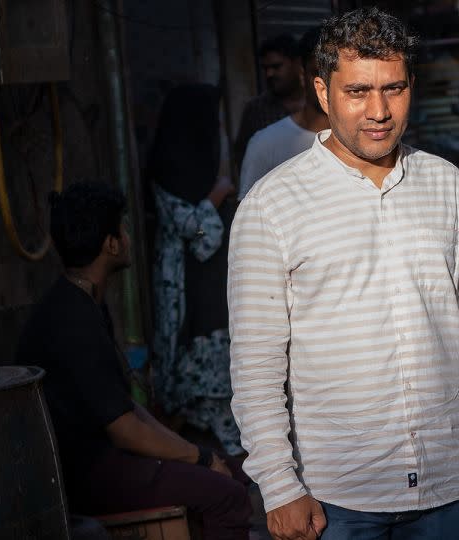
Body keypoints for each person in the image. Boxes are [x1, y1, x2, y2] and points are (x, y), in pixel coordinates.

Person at [228, 8, 459, 540]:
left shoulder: (448, 187)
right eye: (358, 91)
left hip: (449, 486)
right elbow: (256, 363)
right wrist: (278, 485)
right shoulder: (271, 206)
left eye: (394, 88)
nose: (379, 110)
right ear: (323, 92)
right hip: (337, 496)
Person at [17, 182, 252, 539]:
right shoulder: (72, 319)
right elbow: (125, 429)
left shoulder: (83, 300)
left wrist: (193, 452)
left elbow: (124, 406)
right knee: (229, 496)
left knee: (234, 470)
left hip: (106, 459)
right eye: (122, 230)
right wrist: (199, 458)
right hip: (85, 474)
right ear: (110, 244)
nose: (127, 237)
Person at [147, 85, 242, 456]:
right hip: (184, 291)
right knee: (194, 395)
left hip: (211, 293)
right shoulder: (167, 173)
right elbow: (198, 234)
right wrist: (214, 198)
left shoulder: (206, 167)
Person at [239, 27, 329, 199]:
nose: (270, 74)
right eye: (318, 73)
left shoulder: (366, 137)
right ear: (303, 72)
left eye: (276, 66)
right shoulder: (264, 142)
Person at [233, 34, 304, 172]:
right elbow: (242, 156)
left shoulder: (319, 102)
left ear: (297, 63)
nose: (269, 74)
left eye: (276, 66)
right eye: (265, 68)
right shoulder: (256, 109)